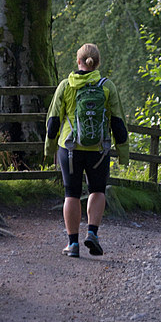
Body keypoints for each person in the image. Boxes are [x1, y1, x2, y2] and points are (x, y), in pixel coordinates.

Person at [44, 43, 129, 257]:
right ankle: (92, 233)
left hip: (69, 147)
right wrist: (123, 153)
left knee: (71, 193)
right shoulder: (107, 86)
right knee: (97, 190)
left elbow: (53, 121)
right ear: (97, 63)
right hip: (98, 149)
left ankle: (72, 244)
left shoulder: (66, 85)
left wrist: (49, 149)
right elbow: (118, 122)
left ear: (78, 61)